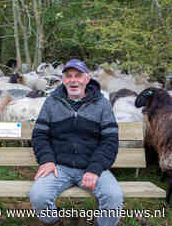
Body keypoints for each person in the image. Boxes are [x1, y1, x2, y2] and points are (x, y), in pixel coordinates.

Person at [29, 59, 123, 226]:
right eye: (68, 76)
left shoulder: (102, 104)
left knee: (113, 197)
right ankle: (54, 222)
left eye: (78, 76)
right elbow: (39, 135)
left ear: (87, 79)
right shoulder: (52, 102)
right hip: (59, 167)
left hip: (92, 167)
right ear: (63, 80)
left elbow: (110, 140)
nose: (73, 80)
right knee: (39, 196)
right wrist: (47, 160)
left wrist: (94, 169)